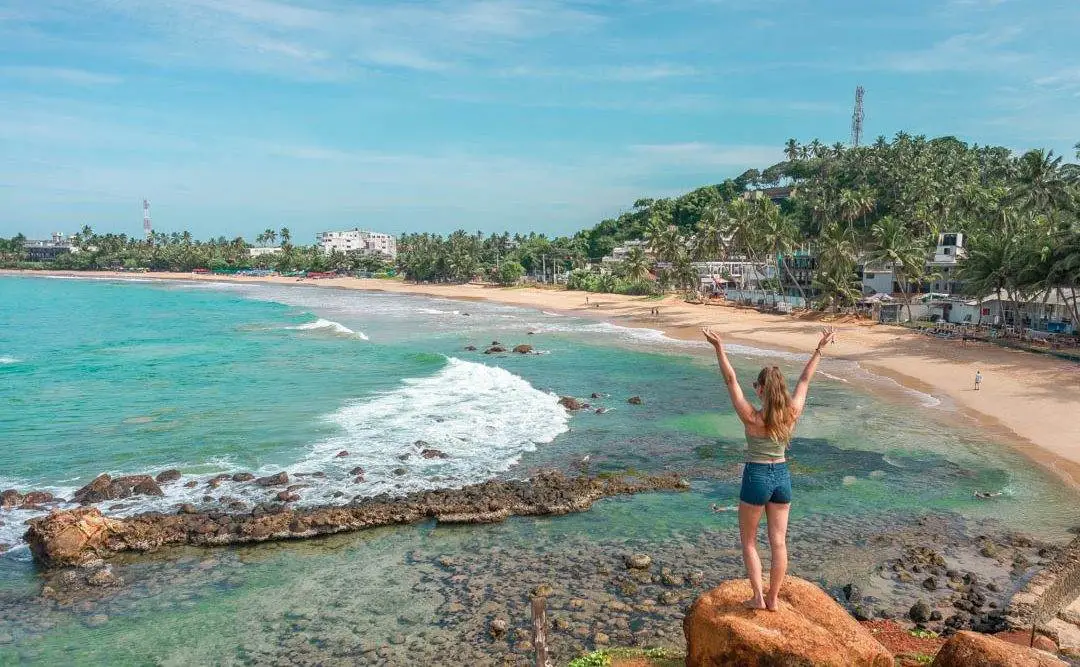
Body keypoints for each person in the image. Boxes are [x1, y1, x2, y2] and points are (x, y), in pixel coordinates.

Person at [702, 325, 836, 611]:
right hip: (782, 477)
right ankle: (773, 599)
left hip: (757, 476)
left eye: (755, 386)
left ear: (761, 390)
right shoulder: (792, 413)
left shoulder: (752, 417)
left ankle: (758, 598)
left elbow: (730, 380)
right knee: (778, 543)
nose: (754, 389)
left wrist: (719, 347)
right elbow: (805, 380)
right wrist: (820, 349)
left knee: (749, 542)